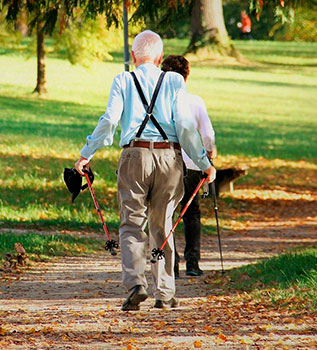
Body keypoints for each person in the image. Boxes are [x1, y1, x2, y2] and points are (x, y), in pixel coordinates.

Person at [74, 30, 216, 311]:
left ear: (134, 57)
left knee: (131, 223)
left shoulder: (123, 80)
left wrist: (86, 154)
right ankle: (165, 293)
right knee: (163, 225)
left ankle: (136, 285)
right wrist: (204, 163)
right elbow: (186, 128)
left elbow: (110, 121)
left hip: (134, 156)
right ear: (160, 57)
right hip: (169, 158)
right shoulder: (174, 81)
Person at [161, 55, 216, 278]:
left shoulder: (160, 102)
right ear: (187, 75)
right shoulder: (195, 101)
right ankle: (192, 262)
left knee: (167, 212)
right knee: (191, 213)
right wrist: (210, 155)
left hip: (167, 162)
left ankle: (171, 264)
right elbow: (208, 135)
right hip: (193, 163)